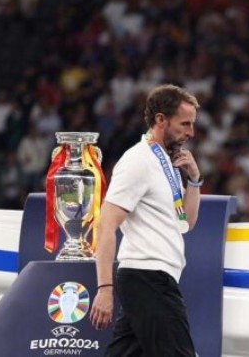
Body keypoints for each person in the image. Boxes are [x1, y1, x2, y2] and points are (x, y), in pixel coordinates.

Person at [90, 84, 203, 356]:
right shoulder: (138, 160)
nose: (191, 132)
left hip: (154, 279)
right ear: (160, 120)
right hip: (148, 278)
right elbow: (106, 225)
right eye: (185, 124)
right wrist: (105, 289)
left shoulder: (168, 163)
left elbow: (186, 223)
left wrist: (195, 180)